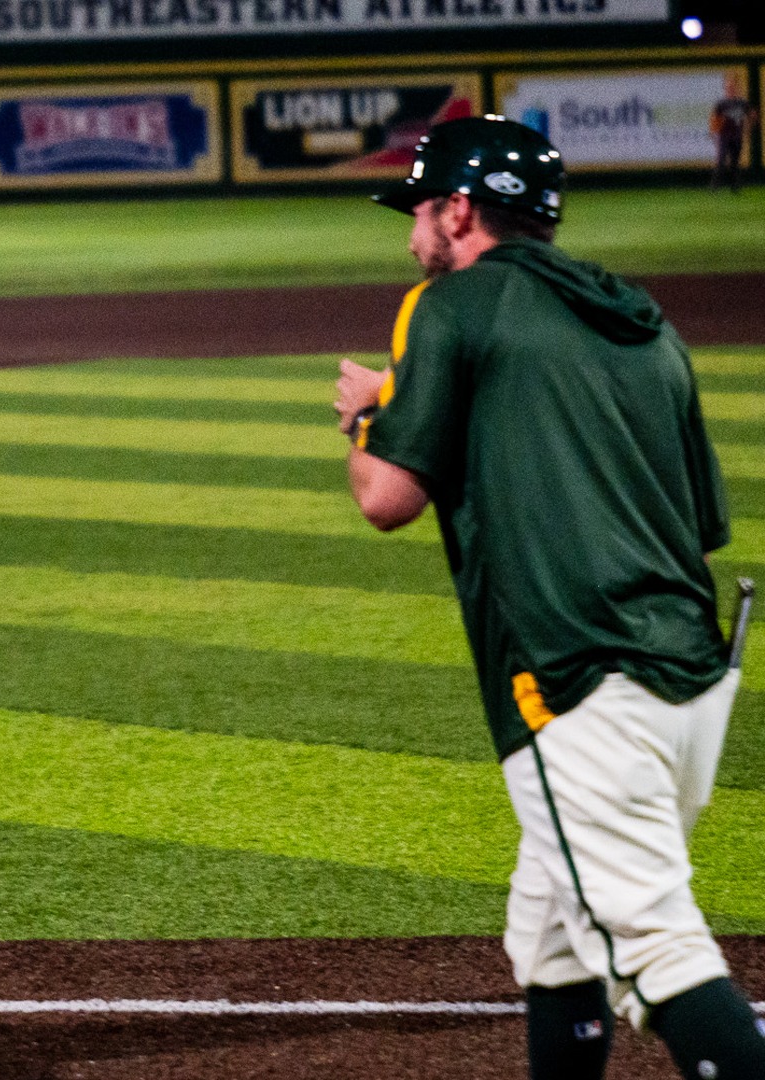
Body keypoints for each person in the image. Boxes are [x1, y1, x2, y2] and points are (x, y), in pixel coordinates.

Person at [335, 115, 765, 1080]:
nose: (411, 235)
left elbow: (386, 500)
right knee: (555, 938)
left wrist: (372, 414)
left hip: (578, 688)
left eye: (418, 210)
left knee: (657, 956)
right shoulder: (639, 319)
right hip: (693, 680)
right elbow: (698, 521)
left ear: (459, 210)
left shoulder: (448, 306)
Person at [711, 76, 757, 194]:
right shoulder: (721, 103)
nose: (730, 89)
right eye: (728, 87)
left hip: (736, 135)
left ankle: (735, 187)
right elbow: (714, 119)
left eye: (732, 87)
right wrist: (714, 133)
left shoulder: (742, 102)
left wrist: (748, 128)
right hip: (724, 136)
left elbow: (752, 115)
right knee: (721, 160)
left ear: (736, 88)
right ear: (725, 89)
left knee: (735, 162)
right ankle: (715, 187)